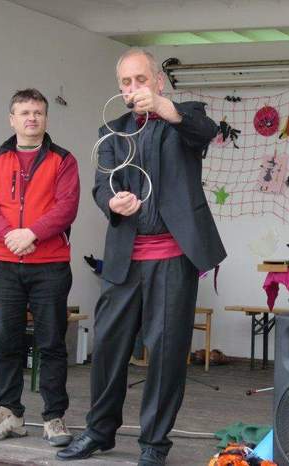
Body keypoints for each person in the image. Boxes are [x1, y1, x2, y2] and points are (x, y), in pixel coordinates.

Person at [57, 49, 226, 465]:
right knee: (108, 347)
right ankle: (99, 432)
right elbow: (101, 186)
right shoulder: (111, 131)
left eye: (141, 79)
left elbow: (206, 132)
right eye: (126, 83)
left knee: (166, 353)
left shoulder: (184, 118)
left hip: (172, 258)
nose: (133, 88)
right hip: (124, 259)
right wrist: (112, 203)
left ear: (158, 81)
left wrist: (167, 110)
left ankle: (154, 444)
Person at [0, 88, 80, 446]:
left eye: (38, 112)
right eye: (24, 112)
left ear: (45, 118)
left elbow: (66, 206)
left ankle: (54, 418)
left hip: (50, 265)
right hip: (5, 265)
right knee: (6, 342)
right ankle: (10, 414)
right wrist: (10, 236)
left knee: (51, 344)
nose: (32, 118)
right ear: (12, 119)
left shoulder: (63, 161)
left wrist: (32, 233)